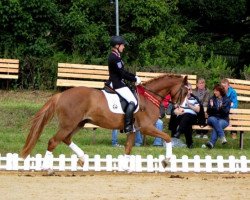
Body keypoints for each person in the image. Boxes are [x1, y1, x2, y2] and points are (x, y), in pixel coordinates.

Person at [108, 36, 141, 133]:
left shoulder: (116, 56)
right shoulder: (114, 57)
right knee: (133, 101)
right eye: (122, 45)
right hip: (117, 84)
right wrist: (134, 78)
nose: (124, 47)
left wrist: (134, 76)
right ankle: (127, 126)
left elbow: (123, 71)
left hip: (118, 82)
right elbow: (121, 73)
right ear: (117, 45)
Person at [169, 83, 200, 148]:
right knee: (186, 122)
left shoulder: (194, 99)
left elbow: (198, 110)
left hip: (192, 117)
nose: (187, 91)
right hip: (181, 117)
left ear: (191, 90)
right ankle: (190, 144)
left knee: (187, 116)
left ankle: (179, 132)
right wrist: (177, 109)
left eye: (188, 89)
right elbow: (174, 111)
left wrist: (190, 105)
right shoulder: (180, 99)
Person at [205, 84, 231, 149]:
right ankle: (222, 136)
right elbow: (208, 112)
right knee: (214, 120)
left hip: (223, 119)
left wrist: (220, 108)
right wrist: (211, 107)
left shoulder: (227, 100)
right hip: (212, 118)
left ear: (221, 91)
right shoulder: (212, 99)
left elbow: (225, 113)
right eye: (214, 91)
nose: (214, 92)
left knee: (218, 123)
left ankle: (211, 143)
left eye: (216, 91)